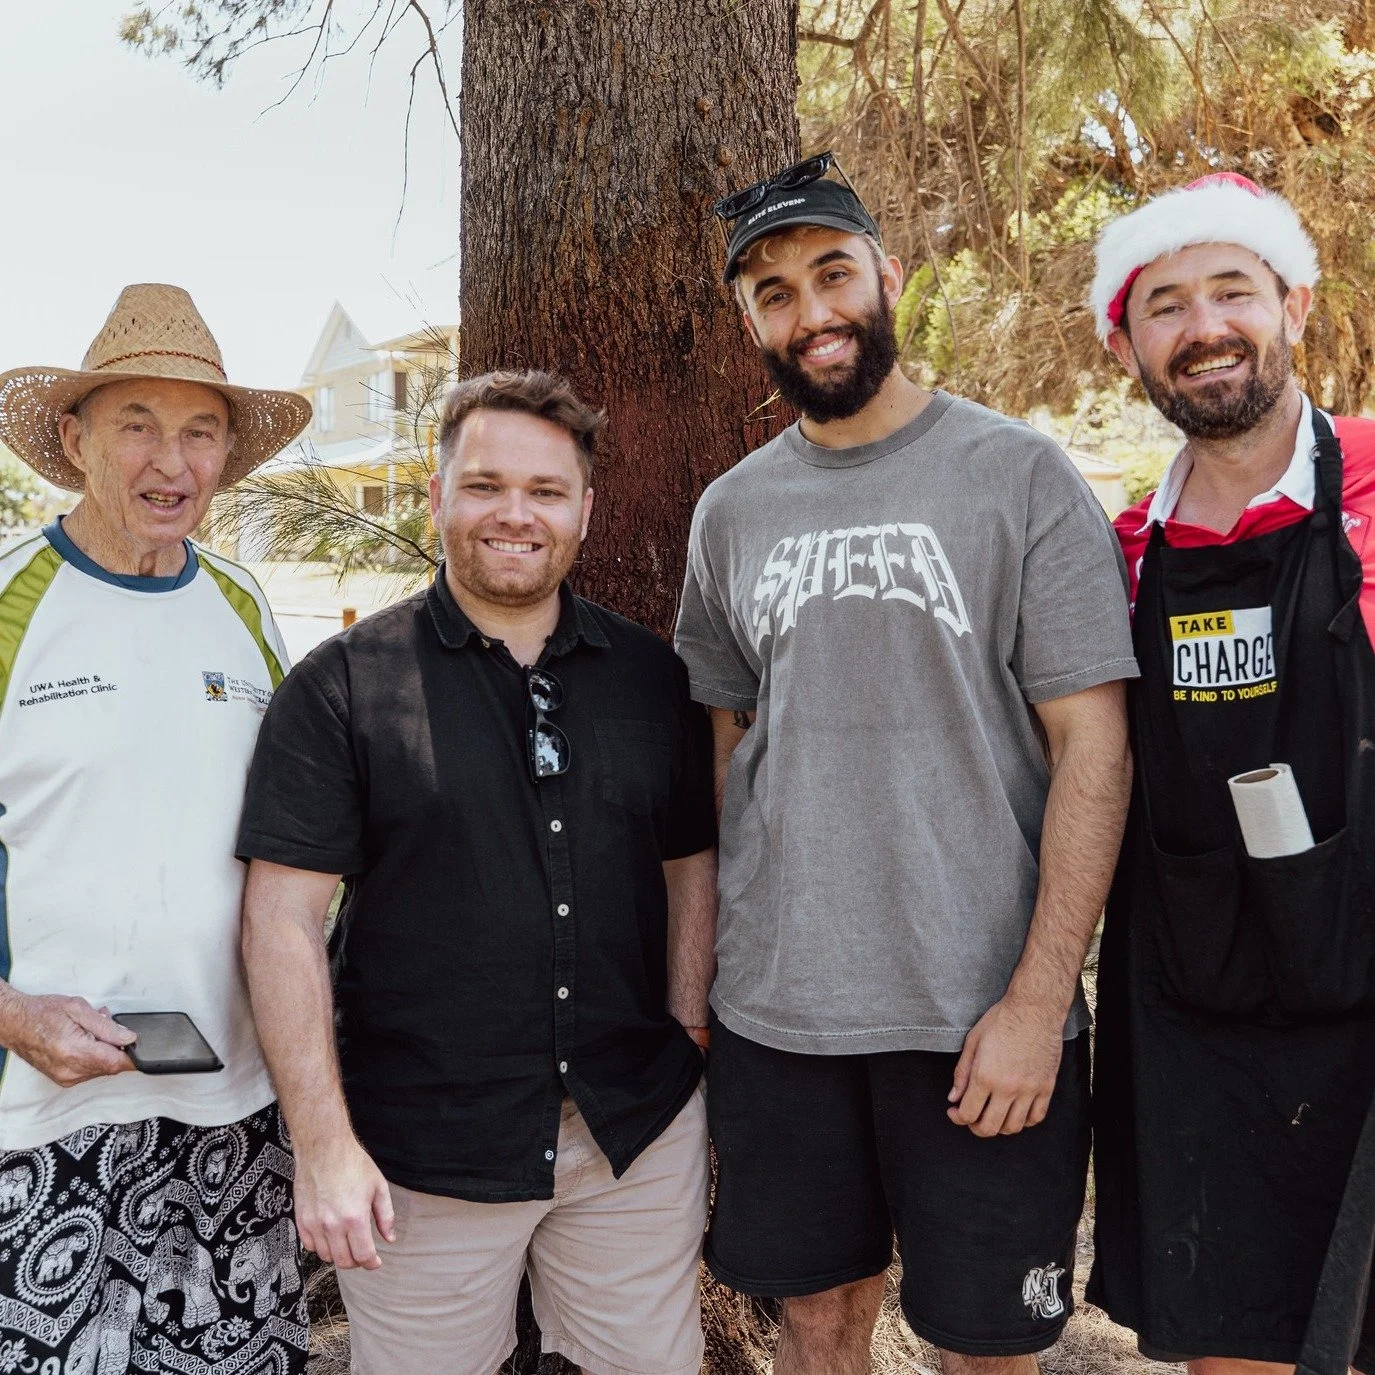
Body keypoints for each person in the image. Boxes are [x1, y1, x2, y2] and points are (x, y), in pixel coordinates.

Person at [675, 153, 1138, 1374]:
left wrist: (1037, 1000)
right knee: (816, 1321)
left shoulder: (1019, 476)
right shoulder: (731, 512)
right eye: (773, 293)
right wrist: (709, 980)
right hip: (780, 1014)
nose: (810, 312)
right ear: (750, 324)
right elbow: (724, 748)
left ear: (888, 275)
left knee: (983, 1345)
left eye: (832, 273)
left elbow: (1093, 745)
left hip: (977, 1011)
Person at [235, 369, 718, 1375]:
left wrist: (684, 1030)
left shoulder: (651, 676)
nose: (515, 514)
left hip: (631, 1136)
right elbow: (280, 919)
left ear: (585, 509)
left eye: (545, 491)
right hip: (421, 1151)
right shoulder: (344, 686)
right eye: (485, 485)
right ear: (437, 497)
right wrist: (323, 1145)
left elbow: (689, 862)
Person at [1087, 171, 1375, 1374]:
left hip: (1364, 999)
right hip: (1196, 1019)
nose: (1203, 326)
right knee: (1233, 1351)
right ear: (1125, 348)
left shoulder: (1372, 487)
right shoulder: (1116, 556)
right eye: (1164, 305)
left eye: (1231, 290)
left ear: (1294, 305)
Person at [0, 283, 312, 1373]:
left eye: (199, 432)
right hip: (39, 1116)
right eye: (136, 425)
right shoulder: (11, 602)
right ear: (74, 438)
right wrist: (12, 1015)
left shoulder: (244, 604)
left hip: (236, 1104)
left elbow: (298, 838)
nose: (170, 463)